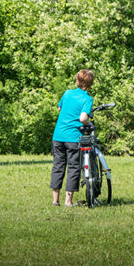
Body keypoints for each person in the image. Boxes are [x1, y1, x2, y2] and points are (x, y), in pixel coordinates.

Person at [50, 69, 94, 207]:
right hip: (73, 138)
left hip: (58, 136)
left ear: (77, 80)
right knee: (73, 167)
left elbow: (59, 109)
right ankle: (68, 201)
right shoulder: (87, 98)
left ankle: (55, 201)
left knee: (58, 166)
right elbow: (83, 118)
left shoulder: (67, 93)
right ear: (90, 84)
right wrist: (88, 123)